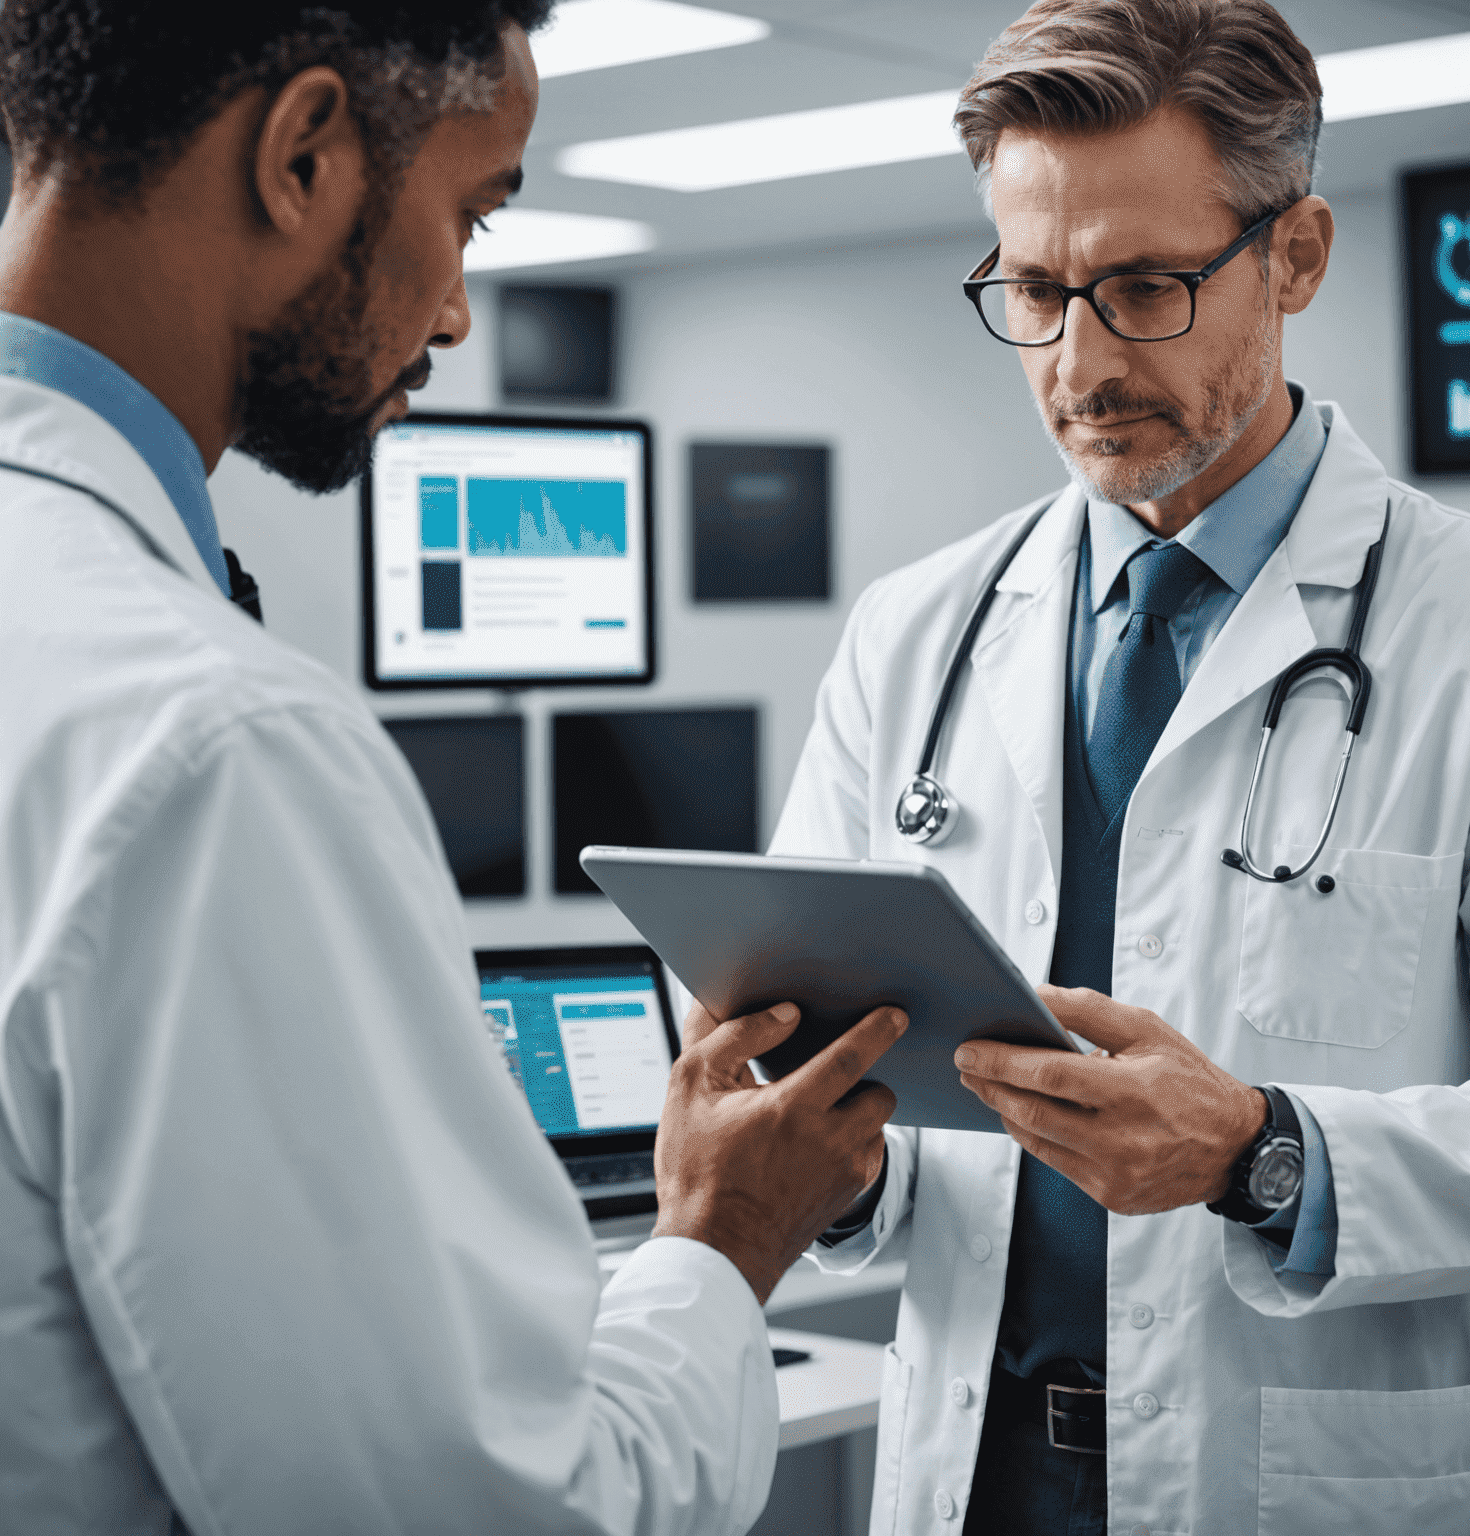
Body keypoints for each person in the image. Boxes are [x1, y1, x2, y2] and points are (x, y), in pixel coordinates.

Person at [0, 6, 904, 1534]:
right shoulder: (219, 750)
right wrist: (719, 1242)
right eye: (471, 213)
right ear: (304, 158)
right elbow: (493, 1514)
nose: (460, 316)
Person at [769, 1, 1470, 1532]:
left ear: (1296, 257)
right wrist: (824, 1155)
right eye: (1036, 290)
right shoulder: (915, 631)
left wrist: (1265, 1154)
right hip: (977, 1472)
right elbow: (868, 1090)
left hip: (1311, 1481)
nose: (1080, 362)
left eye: (1144, 288)